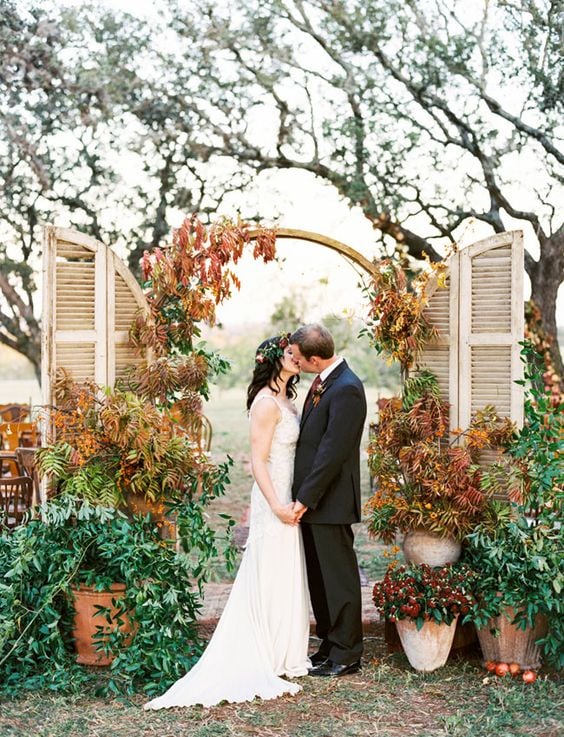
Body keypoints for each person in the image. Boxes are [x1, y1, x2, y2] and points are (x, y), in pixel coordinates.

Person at [144, 334, 310, 709]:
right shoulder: (266, 403)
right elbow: (257, 462)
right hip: (274, 498)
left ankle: (284, 652)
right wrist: (277, 506)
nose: (297, 358)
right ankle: (265, 650)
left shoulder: (287, 398)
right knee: (268, 569)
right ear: (272, 359)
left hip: (288, 494)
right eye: (290, 354)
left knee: (283, 570)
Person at [289, 324, 367, 677]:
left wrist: (305, 497)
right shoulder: (325, 383)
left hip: (330, 502)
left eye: (298, 357)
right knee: (320, 580)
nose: (295, 362)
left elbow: (331, 453)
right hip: (314, 502)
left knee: (339, 580)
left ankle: (349, 653)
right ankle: (330, 645)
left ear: (315, 358)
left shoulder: (347, 389)